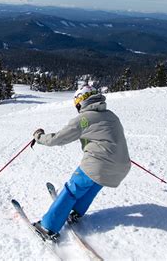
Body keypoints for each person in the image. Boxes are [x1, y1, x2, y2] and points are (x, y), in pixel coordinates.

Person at [31, 85, 131, 241]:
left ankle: (48, 227)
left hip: (99, 163)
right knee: (93, 184)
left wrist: (39, 137)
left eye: (77, 102)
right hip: (121, 164)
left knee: (72, 189)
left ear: (81, 101)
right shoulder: (111, 115)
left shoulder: (84, 119)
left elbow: (58, 138)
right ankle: (76, 212)